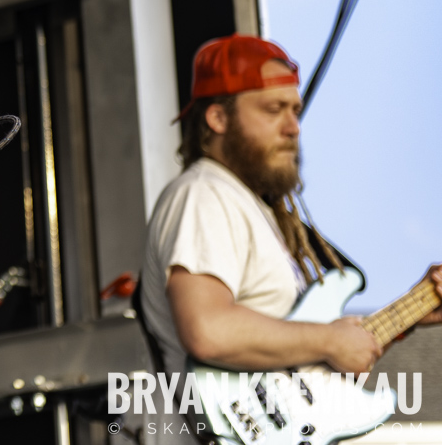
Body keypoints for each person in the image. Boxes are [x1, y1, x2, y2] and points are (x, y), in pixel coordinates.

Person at [141, 34, 442, 387]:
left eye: (295, 111)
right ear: (218, 118)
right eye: (273, 110)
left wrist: (408, 315)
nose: (293, 127)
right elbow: (207, 330)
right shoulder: (204, 193)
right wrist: (328, 340)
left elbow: (299, 367)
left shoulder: (247, 207)